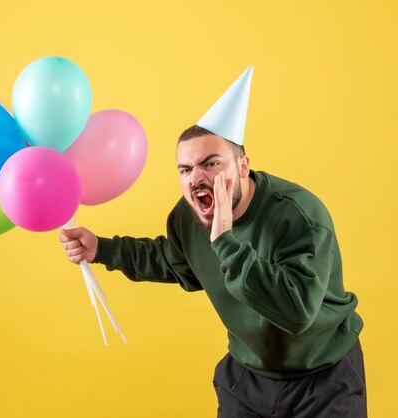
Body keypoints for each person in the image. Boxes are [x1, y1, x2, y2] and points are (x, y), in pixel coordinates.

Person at [59, 68, 366, 417]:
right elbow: (174, 260)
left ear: (243, 166)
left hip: (323, 378)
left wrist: (224, 239)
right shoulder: (186, 218)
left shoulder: (299, 216)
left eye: (211, 163)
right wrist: (103, 249)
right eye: (185, 169)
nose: (197, 177)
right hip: (247, 377)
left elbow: (296, 312)